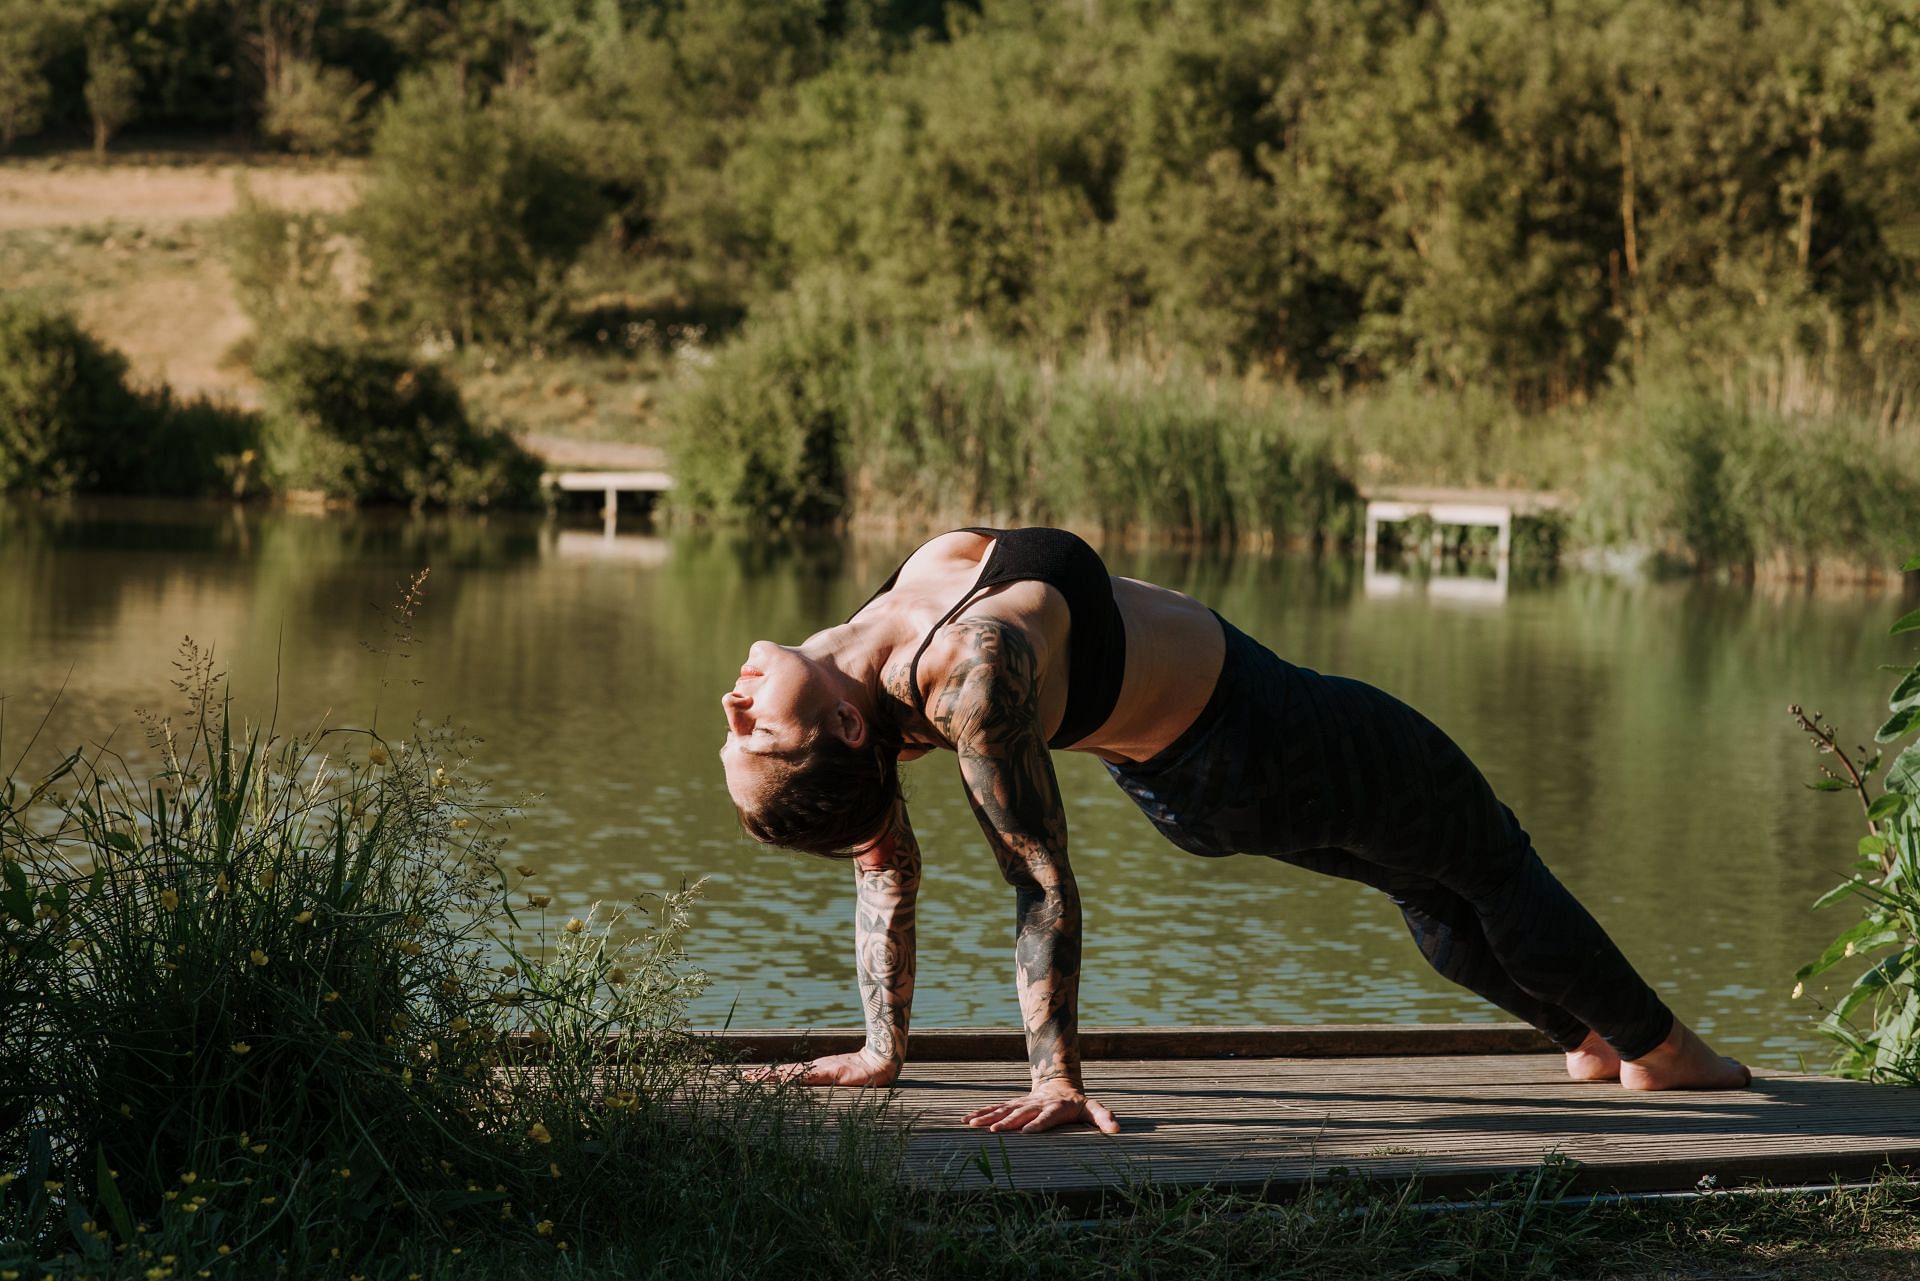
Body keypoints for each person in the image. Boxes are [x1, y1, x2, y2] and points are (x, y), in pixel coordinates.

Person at [719, 527, 1751, 1136]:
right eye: (756, 732)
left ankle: (1583, 1036)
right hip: (1262, 738)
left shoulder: (863, 668)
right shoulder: (966, 677)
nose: (735, 704)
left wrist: (879, 1052)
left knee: (1433, 884)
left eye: (740, 729)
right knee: (1482, 851)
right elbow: (1038, 883)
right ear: (845, 725)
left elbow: (881, 853)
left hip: (1205, 772)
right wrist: (1056, 1081)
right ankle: (1660, 1049)